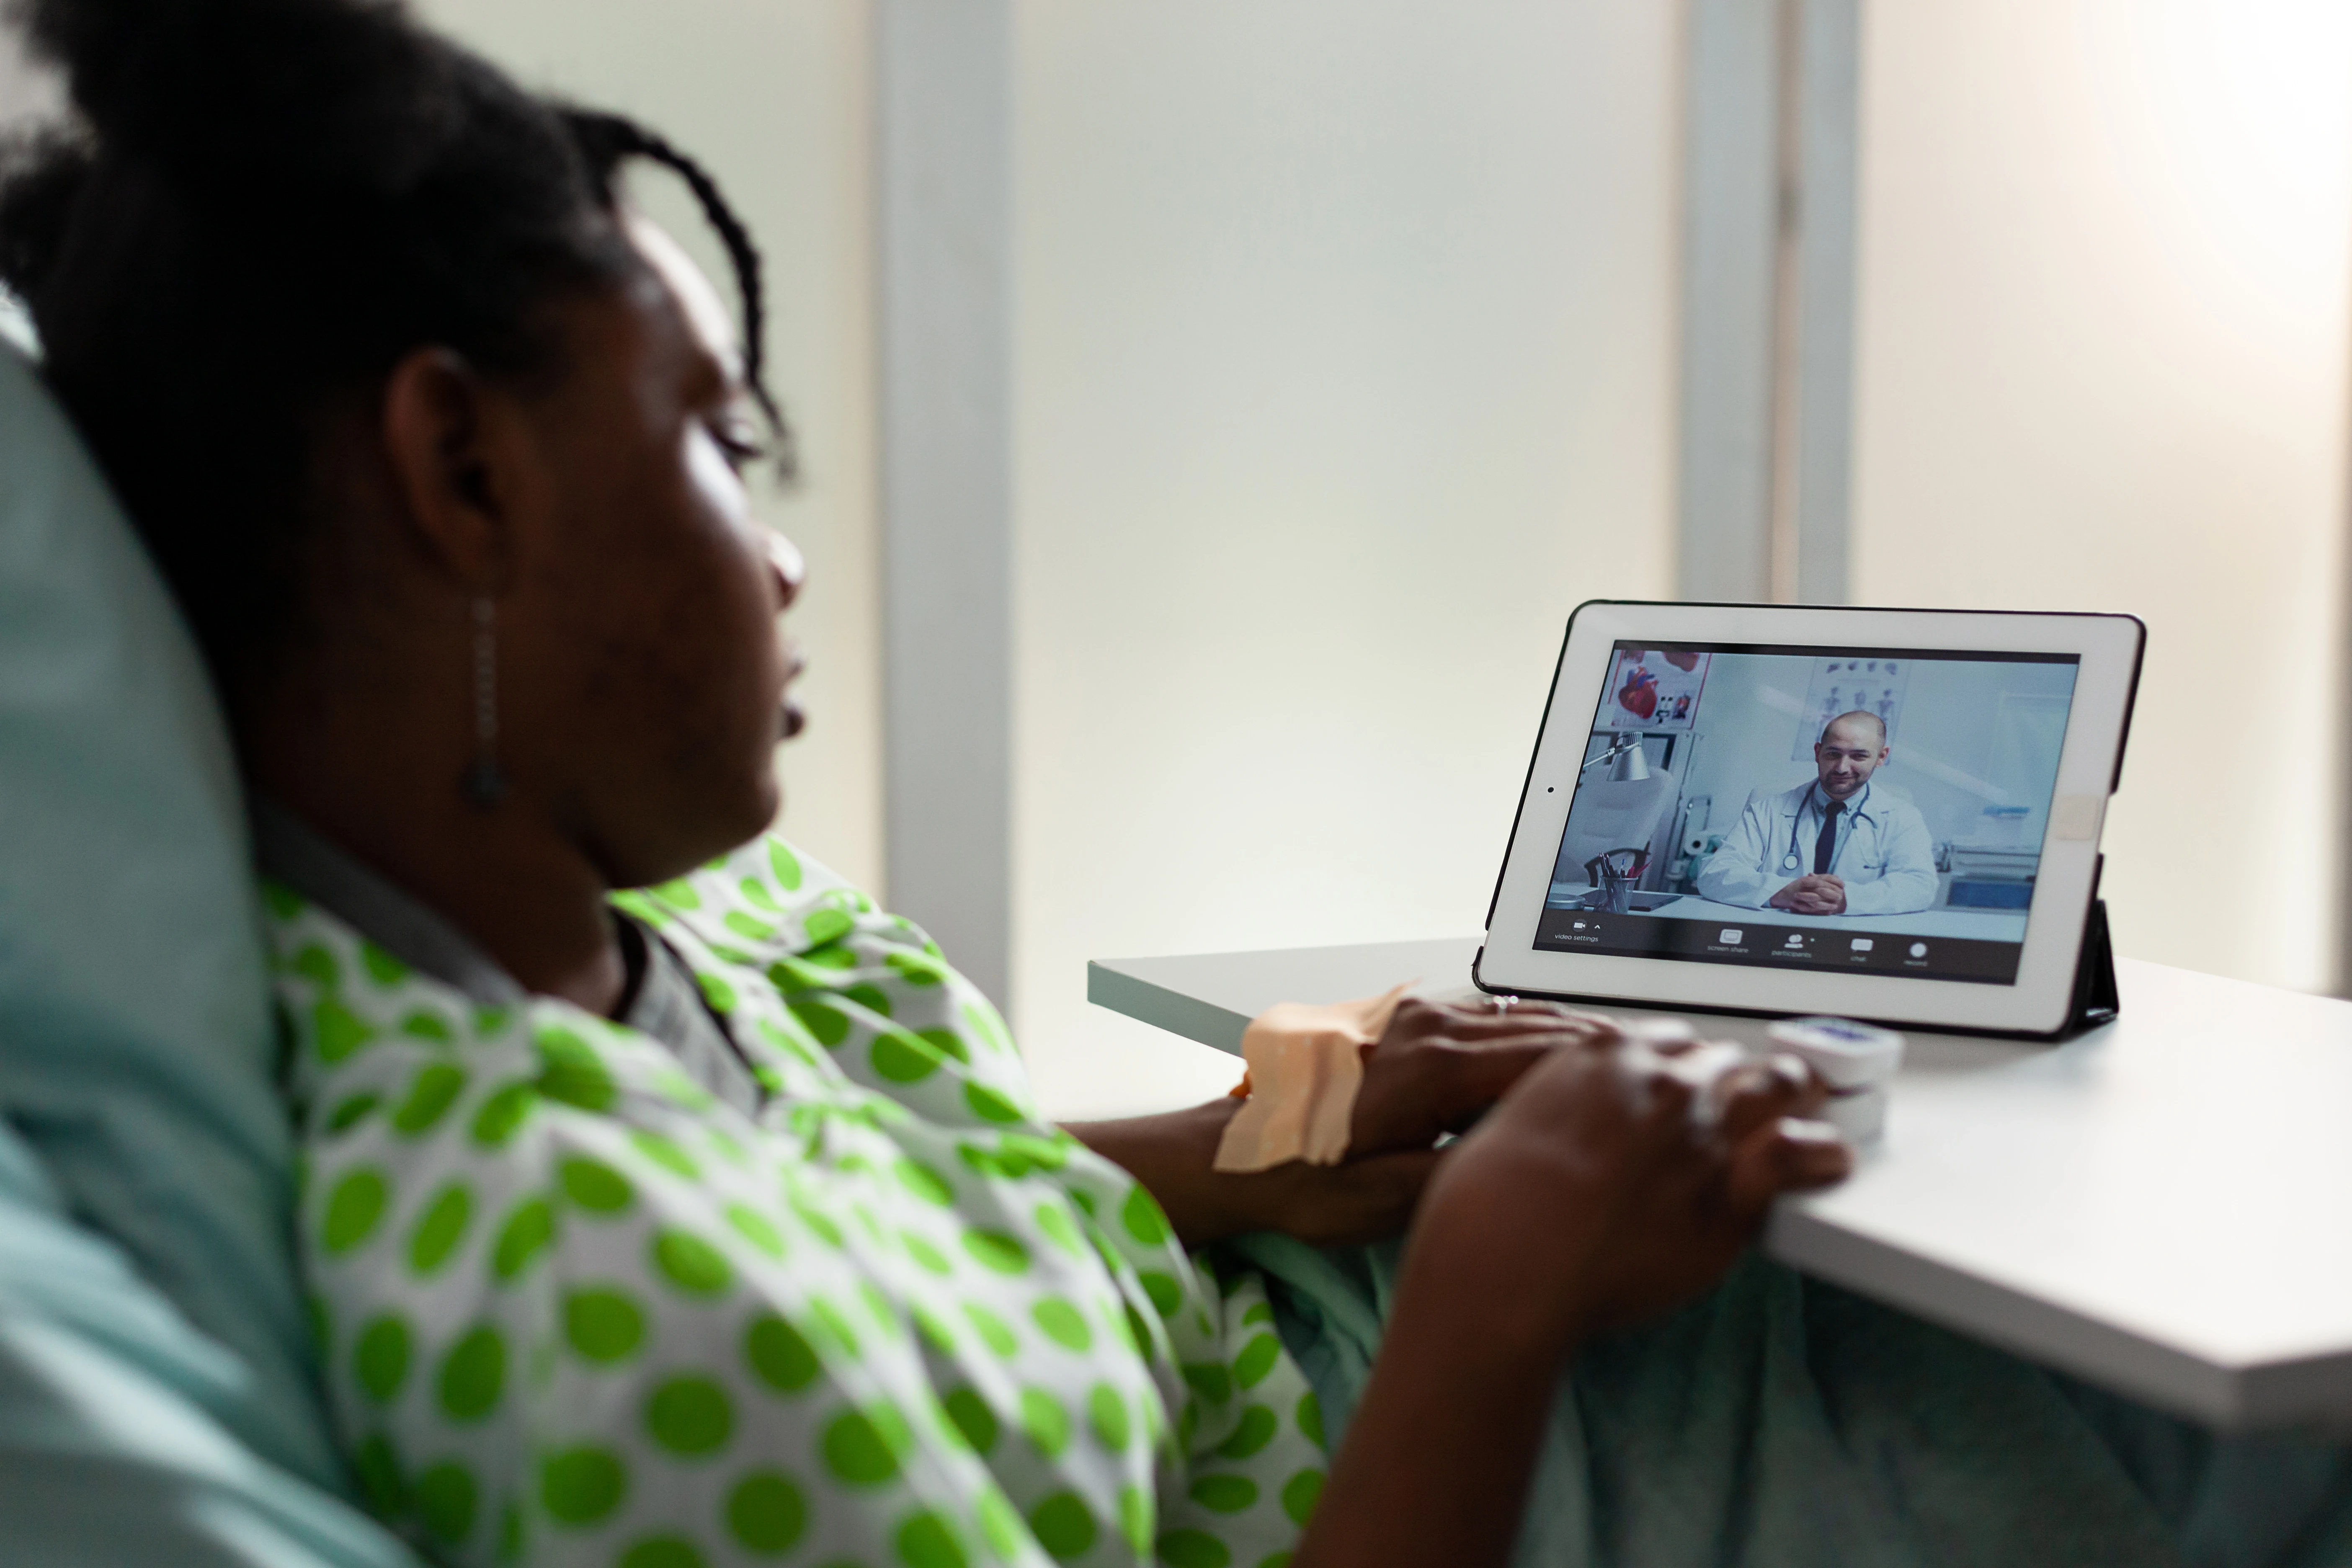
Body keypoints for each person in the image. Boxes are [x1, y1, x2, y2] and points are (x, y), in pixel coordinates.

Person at [14, 5, 2352, 1567]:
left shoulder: (592, 934)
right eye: (720, 444)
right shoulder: (594, 1307)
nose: (787, 543)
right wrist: (1495, 1293)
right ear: (459, 468)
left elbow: (891, 1208)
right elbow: (786, 1308)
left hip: (1355, 1324)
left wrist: (1284, 1146)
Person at [1694, 711, 1938, 917]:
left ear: (1881, 757)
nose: (1842, 768)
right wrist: (1782, 891)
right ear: (1817, 752)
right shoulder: (1767, 810)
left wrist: (1847, 900)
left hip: (1855, 941)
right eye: (1833, 754)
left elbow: (1920, 886)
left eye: (1859, 756)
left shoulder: (1903, 817)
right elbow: (1715, 874)